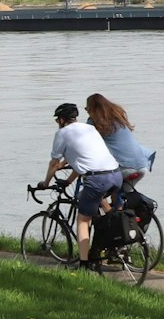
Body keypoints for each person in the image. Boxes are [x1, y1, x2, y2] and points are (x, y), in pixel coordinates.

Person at [42, 101, 124, 267]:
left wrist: (45, 183)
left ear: (61, 120)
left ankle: (84, 264)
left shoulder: (63, 133)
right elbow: (84, 160)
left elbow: (54, 163)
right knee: (103, 215)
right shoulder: (89, 129)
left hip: (97, 179)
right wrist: (69, 181)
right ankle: (112, 245)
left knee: (83, 221)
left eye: (57, 120)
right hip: (116, 175)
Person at [85, 92, 155, 189]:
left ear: (93, 109)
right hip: (142, 165)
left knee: (92, 195)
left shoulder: (94, 122)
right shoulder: (118, 116)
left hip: (125, 167)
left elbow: (84, 145)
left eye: (87, 109)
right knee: (121, 195)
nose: (87, 112)